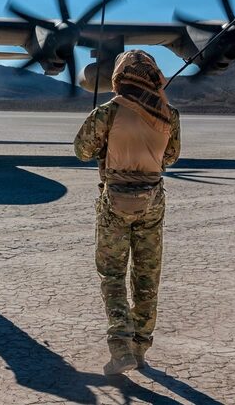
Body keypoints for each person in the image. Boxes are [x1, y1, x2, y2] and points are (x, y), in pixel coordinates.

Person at [73, 49, 181, 375]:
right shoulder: (168, 113)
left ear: (119, 76)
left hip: (114, 200)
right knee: (147, 276)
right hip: (152, 199)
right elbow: (171, 157)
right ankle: (141, 346)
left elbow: (81, 150)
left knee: (112, 274)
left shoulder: (107, 111)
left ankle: (120, 347)